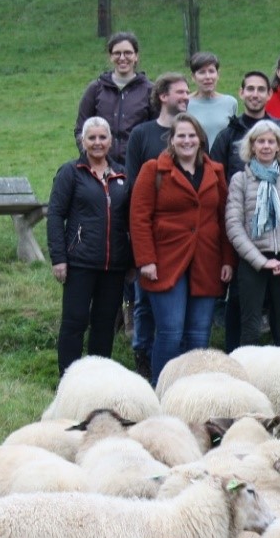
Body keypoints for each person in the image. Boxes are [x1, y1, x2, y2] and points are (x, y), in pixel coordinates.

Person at [129, 113, 234, 385]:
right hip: (165, 261)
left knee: (199, 335)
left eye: (192, 135)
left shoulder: (215, 171)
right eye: (181, 136)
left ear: (200, 139)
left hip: (206, 261)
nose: (187, 141)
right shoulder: (154, 170)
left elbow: (223, 218)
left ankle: (194, 391)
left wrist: (227, 260)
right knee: (170, 332)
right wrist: (146, 260)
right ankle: (163, 389)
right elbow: (139, 218)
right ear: (172, 140)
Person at [208, 70, 280, 351]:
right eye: (250, 89)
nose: (255, 94)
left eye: (262, 89)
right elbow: (218, 187)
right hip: (243, 241)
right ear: (241, 92)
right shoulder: (229, 141)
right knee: (244, 312)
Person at [47, 116, 131, 375]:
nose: (97, 143)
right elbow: (55, 215)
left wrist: (132, 261)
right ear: (83, 142)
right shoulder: (70, 172)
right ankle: (68, 379)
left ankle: (97, 379)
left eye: (102, 137)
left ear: (110, 141)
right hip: (79, 262)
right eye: (91, 138)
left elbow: (131, 220)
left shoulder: (122, 174)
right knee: (75, 322)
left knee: (105, 324)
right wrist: (59, 258)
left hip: (114, 265)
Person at [123, 72, 190, 379]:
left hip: (179, 236)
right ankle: (142, 356)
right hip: (146, 228)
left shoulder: (191, 134)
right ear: (163, 96)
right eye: (180, 92)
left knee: (168, 309)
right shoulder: (143, 133)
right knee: (143, 299)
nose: (186, 97)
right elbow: (134, 182)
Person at [226, 120, 280, 346]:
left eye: (271, 141)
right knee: (250, 329)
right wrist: (261, 261)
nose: (266, 146)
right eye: (260, 141)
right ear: (252, 147)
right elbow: (234, 225)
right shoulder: (240, 180)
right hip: (253, 263)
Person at [75, 31, 154, 168]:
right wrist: (90, 154)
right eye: (117, 53)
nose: (122, 58)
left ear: (136, 56)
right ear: (110, 57)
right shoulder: (95, 89)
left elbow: (156, 130)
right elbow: (81, 129)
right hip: (99, 167)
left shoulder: (150, 90)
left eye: (128, 53)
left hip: (137, 167)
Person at [186, 51, 237, 143]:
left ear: (218, 74)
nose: (208, 77)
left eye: (211, 71)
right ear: (193, 77)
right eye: (202, 72)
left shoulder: (230, 102)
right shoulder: (185, 103)